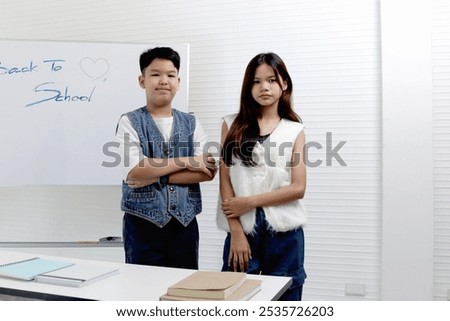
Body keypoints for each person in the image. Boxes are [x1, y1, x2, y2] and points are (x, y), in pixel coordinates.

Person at [115, 47, 217, 269]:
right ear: (142, 80)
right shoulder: (129, 121)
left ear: (178, 81)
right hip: (142, 223)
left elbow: (207, 170)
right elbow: (134, 172)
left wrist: (155, 174)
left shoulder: (192, 123)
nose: (163, 81)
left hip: (185, 224)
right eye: (155, 74)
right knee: (142, 290)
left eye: (170, 75)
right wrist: (188, 161)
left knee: (184, 290)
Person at [217, 52, 307, 300]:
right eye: (256, 81)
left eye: (271, 80)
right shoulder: (231, 123)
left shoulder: (294, 130)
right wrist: (236, 231)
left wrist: (249, 202)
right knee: (236, 300)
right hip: (242, 231)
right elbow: (225, 180)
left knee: (285, 302)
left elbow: (298, 188)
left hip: (285, 234)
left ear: (284, 84)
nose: (264, 87)